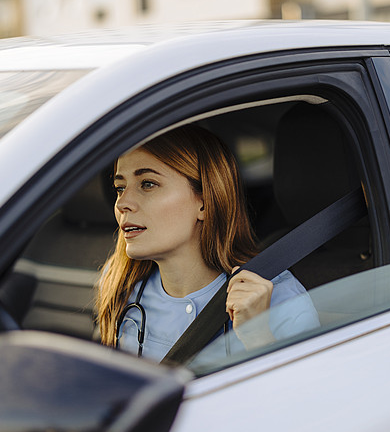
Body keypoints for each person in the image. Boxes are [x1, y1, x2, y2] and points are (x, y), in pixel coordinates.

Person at [95, 124, 319, 364]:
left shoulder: (279, 297)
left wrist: (258, 336)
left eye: (147, 184)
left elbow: (309, 387)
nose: (122, 203)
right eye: (120, 188)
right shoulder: (121, 281)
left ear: (204, 202)